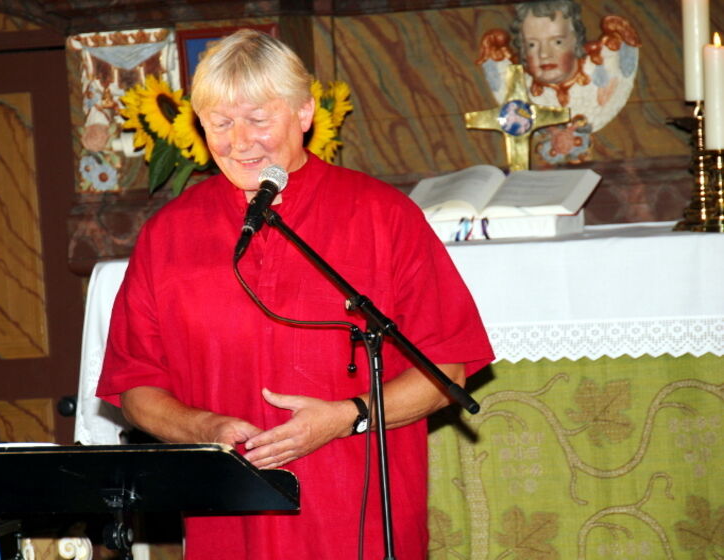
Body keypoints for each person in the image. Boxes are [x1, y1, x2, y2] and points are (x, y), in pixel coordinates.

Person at [97, 29, 494, 559]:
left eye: (258, 119)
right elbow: (135, 385)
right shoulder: (167, 235)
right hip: (230, 524)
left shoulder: (383, 216)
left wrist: (347, 415)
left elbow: (447, 370)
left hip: (357, 520)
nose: (240, 142)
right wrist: (202, 426)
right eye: (220, 123)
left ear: (304, 112)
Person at [510, 0, 586, 86]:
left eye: (557, 42)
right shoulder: (518, 82)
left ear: (576, 41)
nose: (544, 54)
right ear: (523, 50)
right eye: (532, 45)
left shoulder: (595, 75)